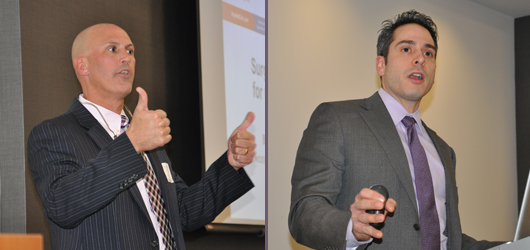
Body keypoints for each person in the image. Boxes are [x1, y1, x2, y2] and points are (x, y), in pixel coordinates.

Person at [27, 23, 256, 250]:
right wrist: (132, 143)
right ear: (82, 66)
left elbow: (184, 212)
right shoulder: (54, 133)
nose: (126, 57)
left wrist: (230, 164)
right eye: (113, 49)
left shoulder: (144, 136)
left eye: (130, 50)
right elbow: (62, 206)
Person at [289, 10, 504, 250]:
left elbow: (444, 237)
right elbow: (304, 212)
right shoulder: (338, 120)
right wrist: (352, 228)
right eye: (406, 49)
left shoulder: (444, 151)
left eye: (428, 53)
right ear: (381, 64)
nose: (420, 59)